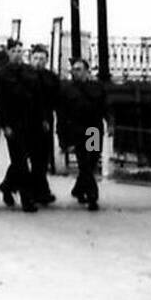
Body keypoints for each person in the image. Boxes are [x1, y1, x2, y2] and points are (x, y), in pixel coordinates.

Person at [57, 57, 107, 211]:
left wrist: (110, 123)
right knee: (84, 163)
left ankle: (79, 189)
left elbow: (105, 107)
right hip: (76, 130)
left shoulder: (97, 87)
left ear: (87, 71)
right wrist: (63, 139)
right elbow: (62, 115)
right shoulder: (67, 89)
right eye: (73, 69)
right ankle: (92, 197)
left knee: (91, 162)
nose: (75, 72)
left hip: (93, 130)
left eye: (78, 69)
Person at [0, 39, 39, 212]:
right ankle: (26, 199)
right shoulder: (3, 73)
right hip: (13, 124)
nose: (17, 53)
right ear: (8, 52)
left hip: (30, 122)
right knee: (21, 162)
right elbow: (0, 102)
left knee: (21, 160)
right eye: (14, 50)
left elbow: (37, 97)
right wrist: (4, 124)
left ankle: (7, 186)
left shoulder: (30, 71)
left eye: (20, 50)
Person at [28, 45, 60, 205]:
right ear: (30, 58)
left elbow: (57, 99)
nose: (39, 62)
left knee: (41, 158)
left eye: (42, 59)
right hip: (28, 121)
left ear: (47, 60)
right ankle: (39, 191)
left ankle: (83, 188)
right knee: (31, 159)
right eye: (36, 58)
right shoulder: (26, 75)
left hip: (47, 122)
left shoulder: (51, 77)